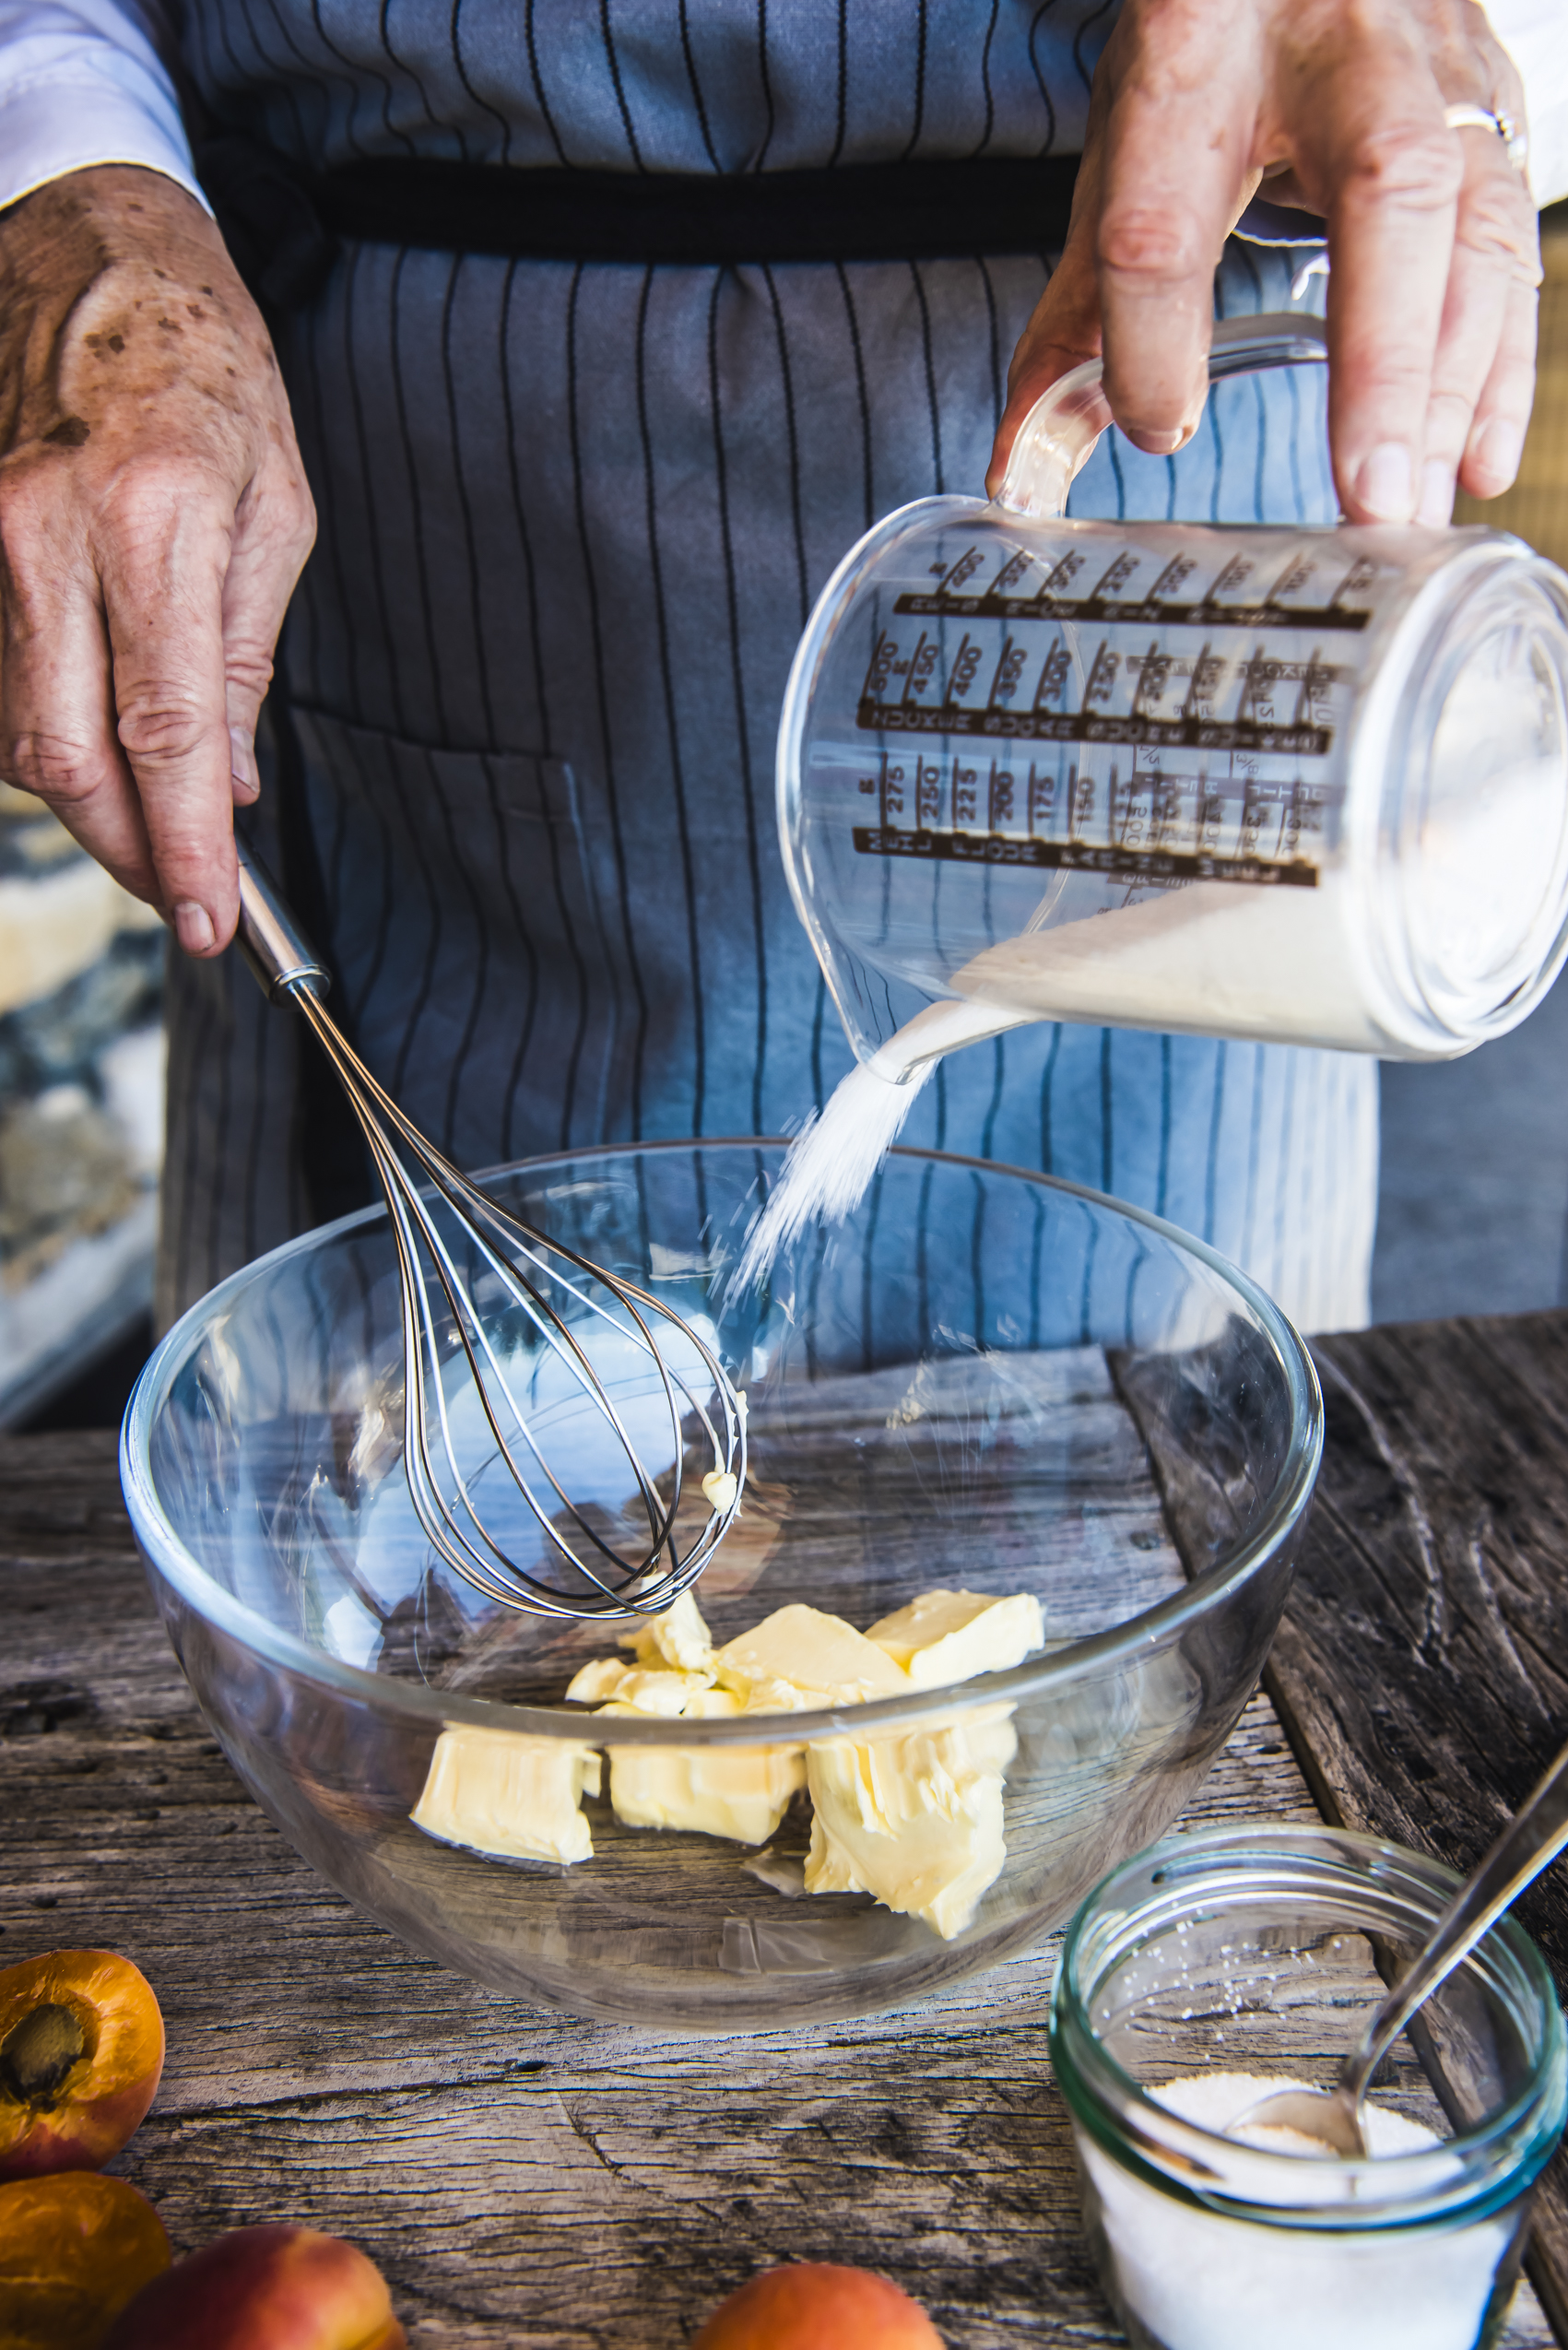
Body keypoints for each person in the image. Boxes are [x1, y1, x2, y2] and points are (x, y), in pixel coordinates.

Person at [0, 0, 1561, 1332]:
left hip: (1174, 493)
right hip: (420, 511)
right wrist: (60, 175)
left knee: (1175, 1503)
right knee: (384, 1556)